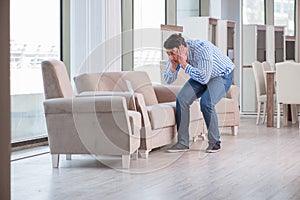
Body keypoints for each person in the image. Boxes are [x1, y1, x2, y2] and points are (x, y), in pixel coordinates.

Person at [163, 33, 234, 153]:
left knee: (206, 102)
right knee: (182, 98)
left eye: (173, 53)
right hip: (201, 74)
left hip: (221, 75)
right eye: (168, 53)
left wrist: (184, 64)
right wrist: (173, 66)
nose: (170, 56)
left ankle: (215, 142)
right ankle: (182, 143)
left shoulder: (202, 50)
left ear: (182, 48)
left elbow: (204, 79)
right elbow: (168, 80)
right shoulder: (174, 56)